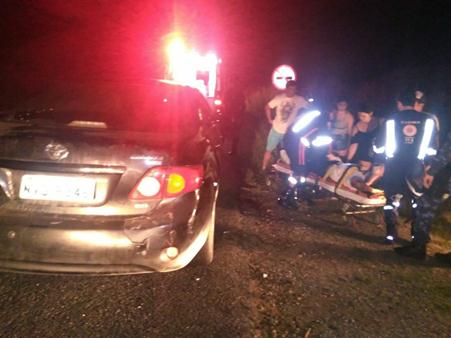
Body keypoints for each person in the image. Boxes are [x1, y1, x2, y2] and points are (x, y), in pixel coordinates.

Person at [375, 90, 438, 244]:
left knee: (391, 200)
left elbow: (378, 146)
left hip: (394, 164)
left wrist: (377, 154)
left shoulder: (391, 120)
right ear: (415, 103)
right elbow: (433, 148)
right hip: (416, 166)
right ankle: (416, 237)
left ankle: (391, 235)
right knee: (417, 200)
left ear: (399, 103)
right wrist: (429, 166)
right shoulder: (428, 120)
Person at [394, 130, 451, 261]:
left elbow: (447, 152)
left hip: (446, 177)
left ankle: (418, 246)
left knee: (426, 206)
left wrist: (432, 171)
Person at [262, 80, 308, 171]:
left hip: (289, 133)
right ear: (286, 89)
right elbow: (267, 107)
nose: (292, 91)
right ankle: (263, 167)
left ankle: (289, 172)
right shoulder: (279, 98)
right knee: (269, 150)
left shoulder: (299, 100)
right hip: (276, 129)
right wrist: (269, 119)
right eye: (290, 89)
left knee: (291, 152)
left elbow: (310, 107)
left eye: (294, 89)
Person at [347, 104, 384, 186]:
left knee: (375, 176)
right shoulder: (357, 126)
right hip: (362, 154)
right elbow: (353, 143)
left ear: (370, 113)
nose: (361, 118)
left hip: (376, 155)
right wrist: (348, 159)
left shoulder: (380, 122)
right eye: (359, 115)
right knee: (359, 175)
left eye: (363, 116)